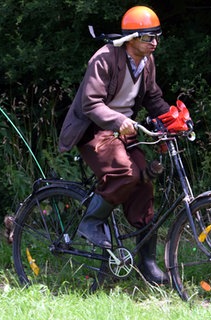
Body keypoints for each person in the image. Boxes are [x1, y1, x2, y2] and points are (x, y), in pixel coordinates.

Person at [58, 6, 170, 284]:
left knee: (144, 181)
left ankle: (147, 263)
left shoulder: (147, 62)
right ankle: (91, 222)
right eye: (147, 37)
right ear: (131, 38)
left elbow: (153, 98)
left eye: (156, 36)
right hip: (94, 130)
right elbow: (91, 103)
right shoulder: (105, 58)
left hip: (125, 131)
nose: (154, 42)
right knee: (125, 171)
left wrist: (173, 119)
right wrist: (117, 120)